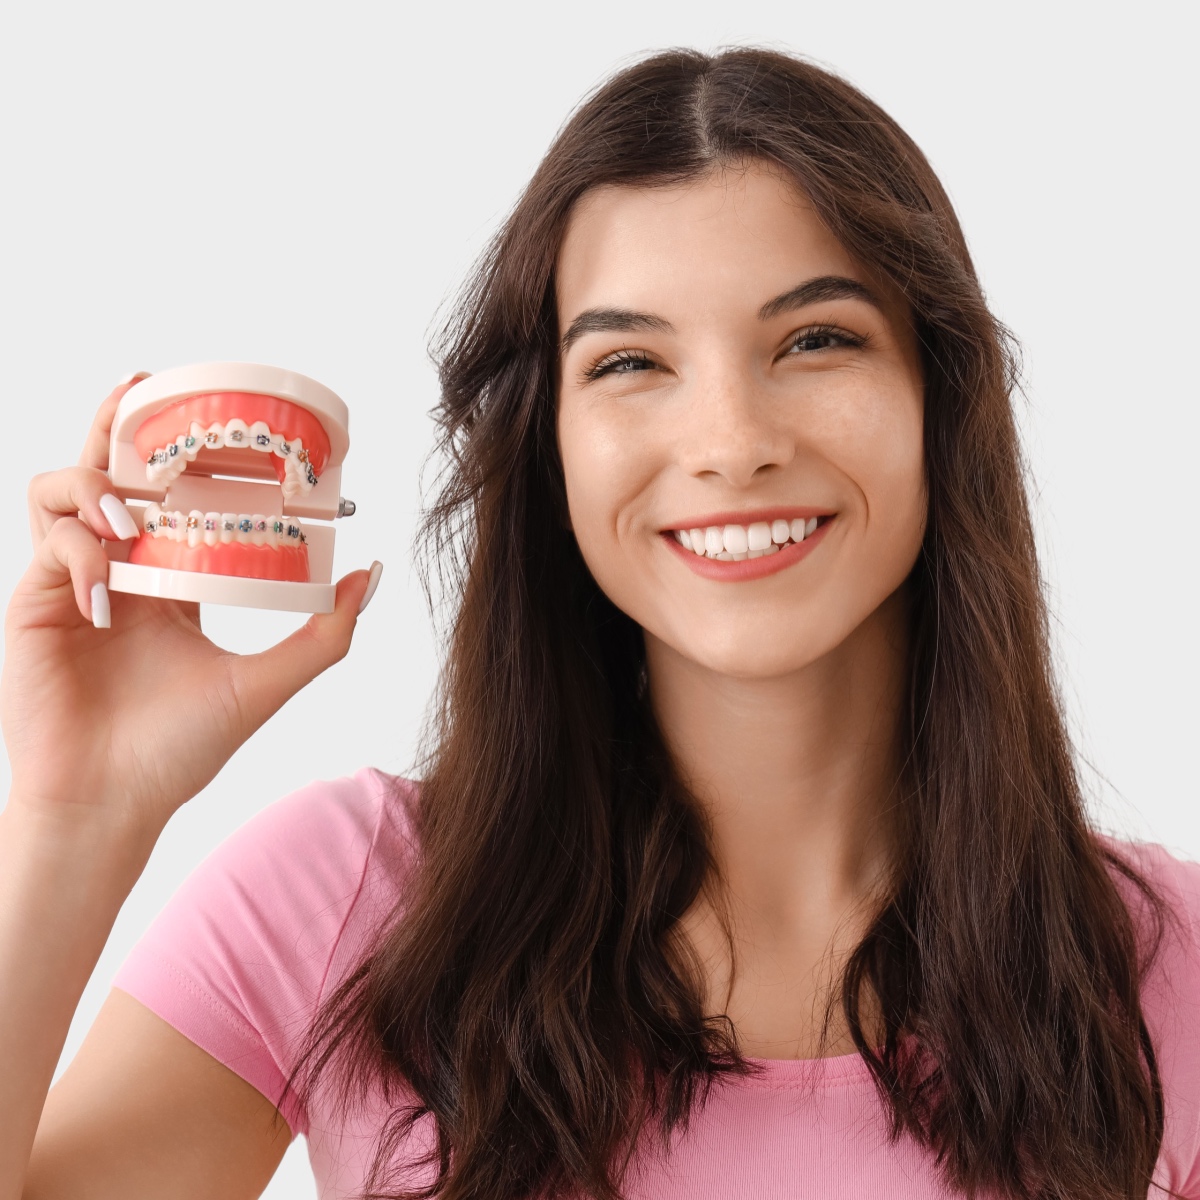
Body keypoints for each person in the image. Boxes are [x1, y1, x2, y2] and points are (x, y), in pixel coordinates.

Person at [2, 46, 1198, 1200]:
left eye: (818, 339)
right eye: (630, 362)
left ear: (939, 401)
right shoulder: (347, 901)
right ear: (549, 445)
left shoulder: (1171, 967)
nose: (732, 443)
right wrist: (75, 815)